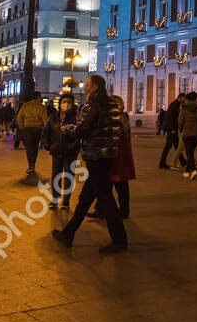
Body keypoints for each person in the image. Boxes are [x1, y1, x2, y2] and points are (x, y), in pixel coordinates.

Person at [52, 74, 128, 253]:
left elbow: (82, 130)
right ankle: (68, 234)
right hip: (108, 156)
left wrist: (67, 128)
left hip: (95, 156)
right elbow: (119, 130)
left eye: (87, 85)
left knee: (106, 199)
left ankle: (120, 240)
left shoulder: (93, 105)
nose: (84, 87)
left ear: (94, 87)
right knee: (85, 198)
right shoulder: (112, 104)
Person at [43, 94, 79, 209]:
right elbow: (46, 132)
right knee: (55, 176)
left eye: (69, 102)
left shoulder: (76, 117)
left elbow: (80, 135)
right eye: (64, 101)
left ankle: (66, 201)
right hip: (56, 150)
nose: (66, 104)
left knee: (68, 176)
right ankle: (55, 199)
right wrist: (49, 146)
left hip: (70, 151)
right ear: (60, 104)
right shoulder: (53, 117)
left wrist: (73, 145)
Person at [16, 91, 47, 176]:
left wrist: (22, 127)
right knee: (35, 146)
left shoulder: (25, 105)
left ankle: (31, 164)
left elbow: (19, 117)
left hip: (27, 129)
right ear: (38, 97)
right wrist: (45, 129)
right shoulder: (42, 107)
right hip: (38, 129)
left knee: (29, 147)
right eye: (40, 97)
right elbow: (45, 120)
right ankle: (33, 163)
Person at [178, 90, 197, 179]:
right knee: (190, 152)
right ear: (195, 98)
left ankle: (193, 170)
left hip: (187, 133)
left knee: (189, 152)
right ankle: (187, 170)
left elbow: (180, 120)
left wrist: (180, 129)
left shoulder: (184, 108)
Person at [159, 94, 183, 170]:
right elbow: (170, 117)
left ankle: (183, 161)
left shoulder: (176, 104)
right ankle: (162, 163)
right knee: (168, 146)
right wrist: (172, 129)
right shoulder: (174, 105)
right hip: (171, 129)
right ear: (180, 98)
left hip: (172, 128)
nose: (184, 100)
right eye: (184, 99)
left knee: (177, 146)